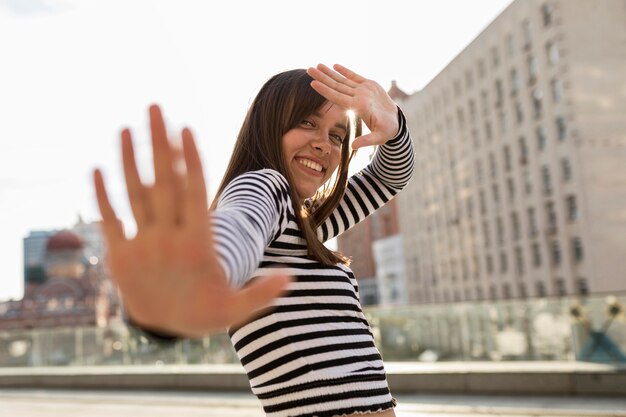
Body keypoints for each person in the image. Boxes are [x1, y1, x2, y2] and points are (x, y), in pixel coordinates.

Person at [94, 63, 414, 417]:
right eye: (307, 122)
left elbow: (389, 178)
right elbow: (239, 226)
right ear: (269, 126)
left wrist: (393, 125)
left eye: (337, 136)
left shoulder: (305, 222)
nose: (323, 144)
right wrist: (199, 274)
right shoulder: (265, 187)